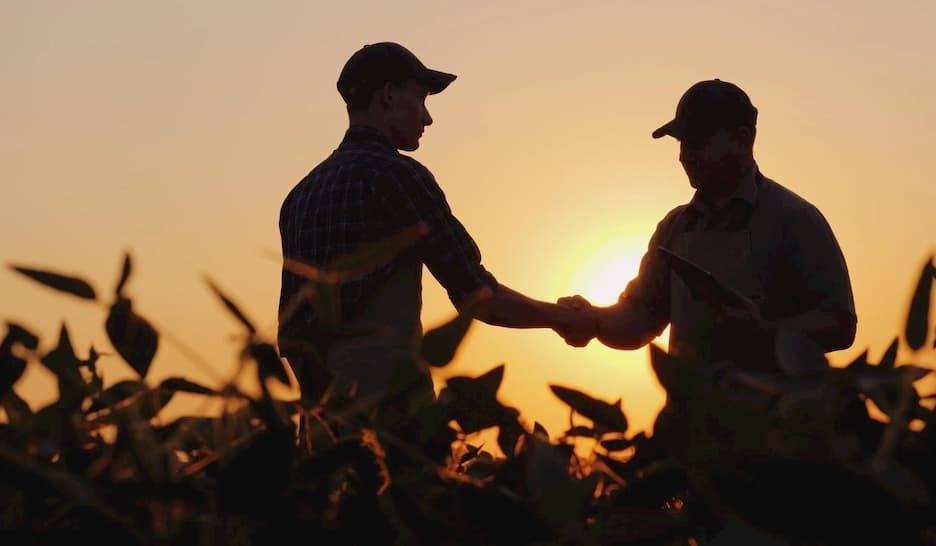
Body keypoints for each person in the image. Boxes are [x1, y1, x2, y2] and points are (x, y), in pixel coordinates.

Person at [277, 42, 587, 403]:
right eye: (421, 99)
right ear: (389, 96)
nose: (427, 118)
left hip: (322, 435)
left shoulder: (298, 197)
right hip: (392, 426)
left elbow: (292, 336)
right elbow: (478, 296)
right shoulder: (398, 176)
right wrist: (563, 317)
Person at [557, 79, 857, 372]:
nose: (686, 156)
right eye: (682, 144)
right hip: (688, 419)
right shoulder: (674, 229)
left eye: (698, 142)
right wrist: (592, 320)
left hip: (770, 419)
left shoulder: (796, 220)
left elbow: (841, 326)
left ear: (743, 140)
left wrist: (765, 330)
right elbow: (640, 320)